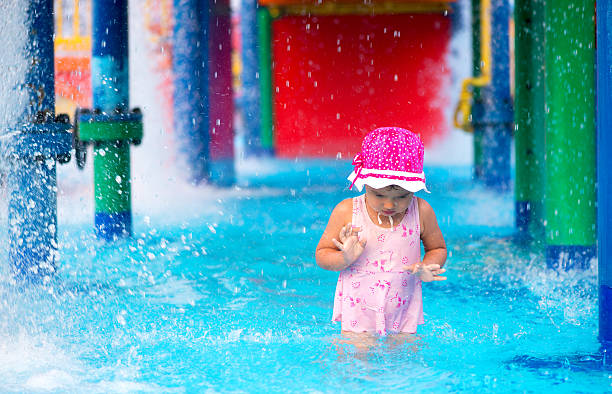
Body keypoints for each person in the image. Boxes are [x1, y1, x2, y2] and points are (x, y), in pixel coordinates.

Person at [315, 127, 447, 340]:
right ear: (364, 183)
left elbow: (438, 248)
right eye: (378, 194)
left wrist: (427, 266)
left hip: (403, 309)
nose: (389, 204)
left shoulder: (421, 211)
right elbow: (321, 255)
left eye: (402, 197)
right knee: (356, 364)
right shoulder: (347, 211)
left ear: (414, 189)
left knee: (404, 363)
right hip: (358, 309)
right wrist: (345, 258)